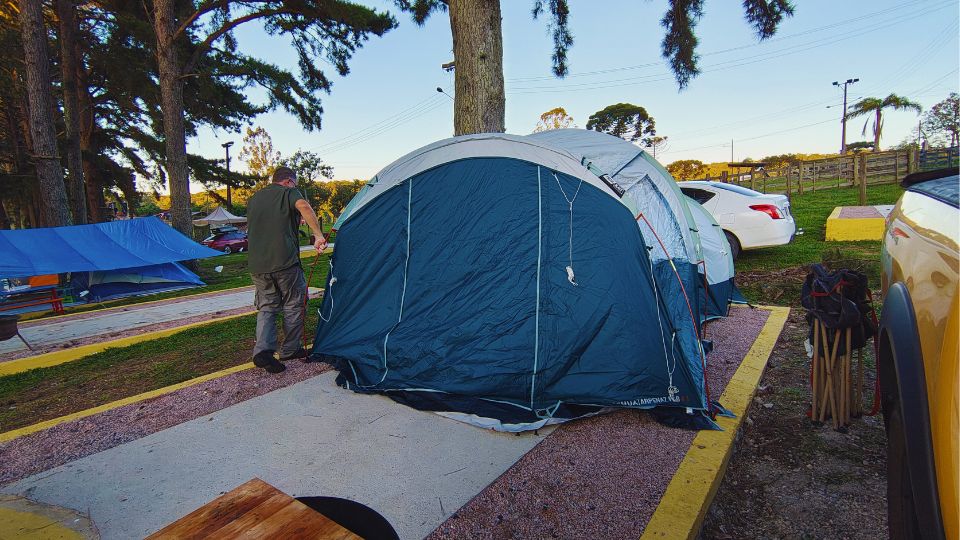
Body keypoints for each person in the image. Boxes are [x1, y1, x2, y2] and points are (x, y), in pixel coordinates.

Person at [246, 166, 327, 373]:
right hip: (285, 262)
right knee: (294, 304)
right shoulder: (289, 192)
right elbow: (305, 207)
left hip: (257, 265)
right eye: (295, 184)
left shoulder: (254, 199)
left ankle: (263, 351)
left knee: (267, 307)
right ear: (289, 181)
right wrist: (318, 235)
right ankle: (290, 349)